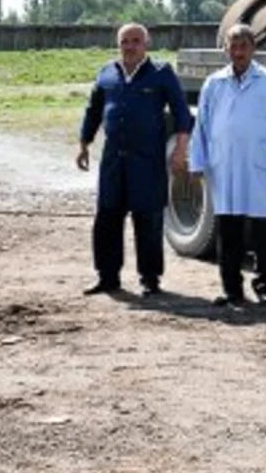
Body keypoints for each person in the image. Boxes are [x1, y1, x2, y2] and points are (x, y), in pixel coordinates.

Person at [77, 22, 192, 298]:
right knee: (107, 217)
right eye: (124, 41)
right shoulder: (107, 73)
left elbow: (181, 113)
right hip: (113, 161)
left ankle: (150, 280)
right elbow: (93, 110)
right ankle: (107, 277)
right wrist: (84, 144)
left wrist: (180, 150)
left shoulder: (161, 74)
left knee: (148, 219)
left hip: (147, 161)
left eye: (135, 41)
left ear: (146, 44)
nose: (129, 46)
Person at [188, 23, 266, 307]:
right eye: (232, 46)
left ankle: (264, 286)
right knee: (228, 229)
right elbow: (202, 125)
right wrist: (196, 161)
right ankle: (231, 289)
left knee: (262, 230)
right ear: (225, 49)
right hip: (224, 167)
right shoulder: (214, 83)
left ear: (253, 48)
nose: (238, 52)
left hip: (260, 167)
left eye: (243, 46)